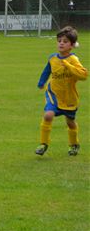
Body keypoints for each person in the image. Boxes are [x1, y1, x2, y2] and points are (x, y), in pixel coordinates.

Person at [36, 26, 88, 156]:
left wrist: (68, 66)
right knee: (48, 115)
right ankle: (43, 144)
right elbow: (47, 70)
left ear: (72, 45)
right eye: (59, 41)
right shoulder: (52, 58)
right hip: (53, 93)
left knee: (70, 123)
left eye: (65, 41)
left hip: (69, 97)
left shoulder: (73, 59)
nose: (61, 43)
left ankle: (74, 144)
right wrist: (41, 82)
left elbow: (83, 75)